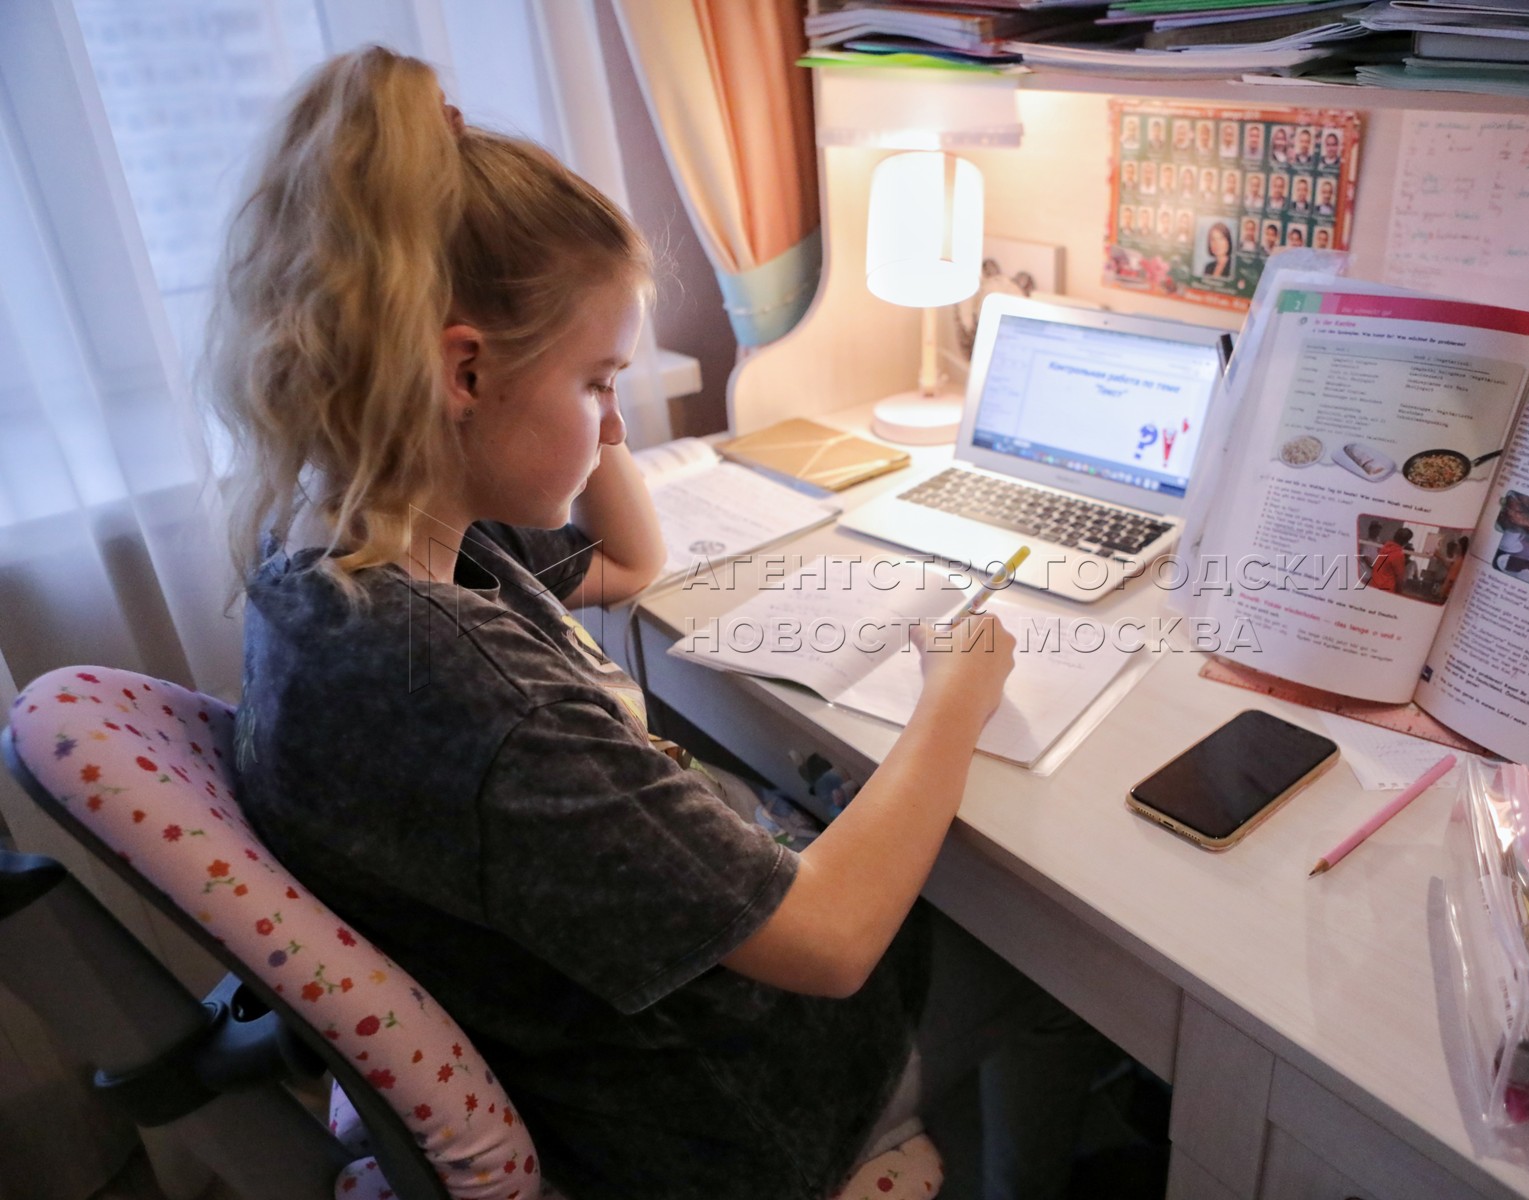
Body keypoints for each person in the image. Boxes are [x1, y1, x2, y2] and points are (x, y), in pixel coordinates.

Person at [211, 47, 1106, 1200]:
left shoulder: (352, 553)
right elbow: (834, 942)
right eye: (598, 382)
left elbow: (633, 564)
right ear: (462, 373)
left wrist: (587, 410)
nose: (612, 417)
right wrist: (956, 697)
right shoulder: (474, 696)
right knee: (1058, 969)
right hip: (718, 1113)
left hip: (588, 1040)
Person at [1368, 525, 1412, 593]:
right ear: (1406, 542)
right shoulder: (1398, 554)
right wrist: (1399, 592)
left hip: (1374, 584)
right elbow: (1399, 578)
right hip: (1386, 589)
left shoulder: (1384, 547)